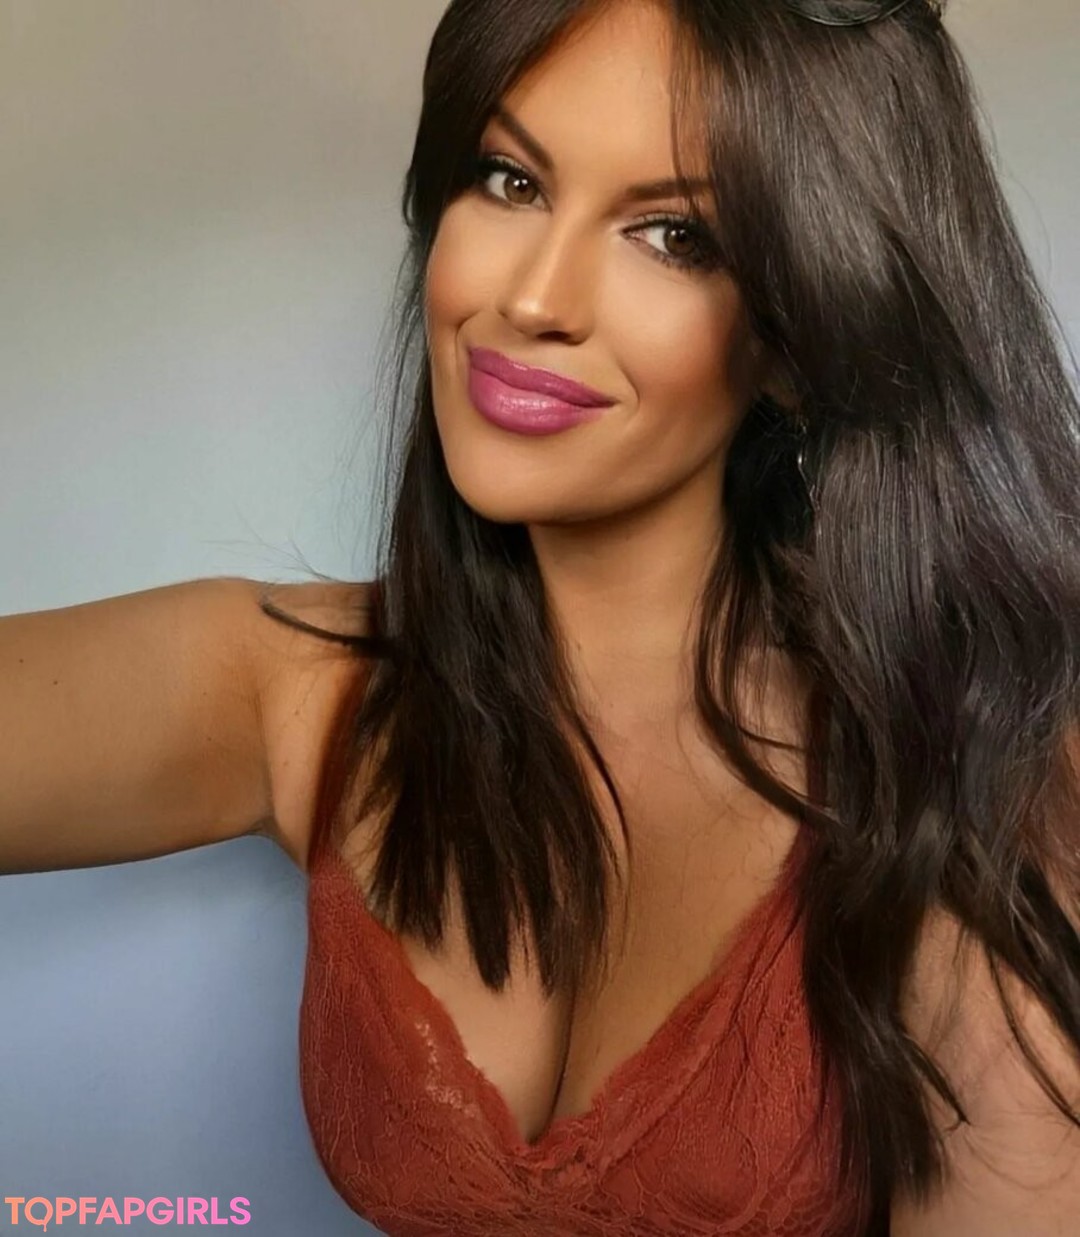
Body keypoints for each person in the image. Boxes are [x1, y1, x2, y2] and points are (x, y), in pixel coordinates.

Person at [3, 0, 1079, 1233]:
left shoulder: (975, 789)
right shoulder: (296, 690)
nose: (534, 298)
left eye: (674, 235)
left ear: (803, 329)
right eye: (510, 180)